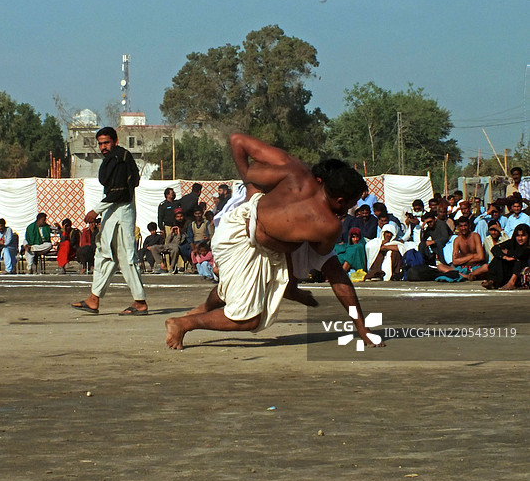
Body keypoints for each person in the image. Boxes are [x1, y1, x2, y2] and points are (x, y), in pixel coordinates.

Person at [165, 133, 384, 350]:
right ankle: (184, 324)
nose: (350, 209)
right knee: (250, 320)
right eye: (351, 204)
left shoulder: (294, 170)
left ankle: (202, 309)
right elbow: (328, 262)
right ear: (340, 200)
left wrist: (251, 185)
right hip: (240, 237)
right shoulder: (329, 225)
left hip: (243, 224)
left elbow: (236, 140)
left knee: (233, 288)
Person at [72, 126, 148, 316]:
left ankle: (140, 302)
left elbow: (121, 191)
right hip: (112, 212)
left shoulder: (120, 159)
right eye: (100, 143)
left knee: (127, 258)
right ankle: (94, 299)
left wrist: (96, 210)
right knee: (105, 256)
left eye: (106, 142)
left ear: (115, 141)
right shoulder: (113, 160)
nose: (103, 147)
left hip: (122, 214)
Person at [480, 224, 530, 290]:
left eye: (523, 236)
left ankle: (511, 283)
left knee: (519, 260)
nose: (520, 238)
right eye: (518, 236)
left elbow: (521, 254)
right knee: (497, 259)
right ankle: (492, 281)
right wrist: (504, 257)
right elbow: (495, 249)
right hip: (510, 271)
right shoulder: (512, 242)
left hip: (523, 273)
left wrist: (508, 252)